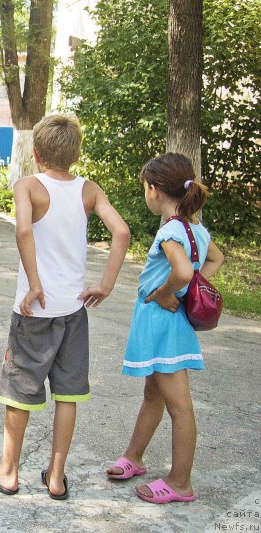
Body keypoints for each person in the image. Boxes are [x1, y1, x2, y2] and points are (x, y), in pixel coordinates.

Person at [0, 114, 130, 499]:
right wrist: (106, 285)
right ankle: (56, 477)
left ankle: (7, 472)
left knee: (19, 388)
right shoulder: (89, 190)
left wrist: (34, 284)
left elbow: (23, 229)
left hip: (34, 310)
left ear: (37, 153)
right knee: (68, 394)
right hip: (73, 309)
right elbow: (122, 232)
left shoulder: (28, 186)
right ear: (76, 154)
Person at [106, 153, 224, 504]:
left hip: (163, 324)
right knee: (153, 395)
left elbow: (184, 273)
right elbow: (215, 259)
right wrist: (188, 292)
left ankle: (180, 482)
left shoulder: (172, 230)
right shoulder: (196, 229)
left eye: (145, 187)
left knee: (180, 407)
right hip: (166, 324)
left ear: (155, 190)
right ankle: (135, 456)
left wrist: (165, 292)